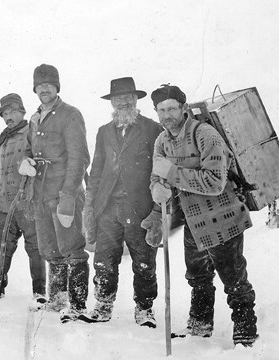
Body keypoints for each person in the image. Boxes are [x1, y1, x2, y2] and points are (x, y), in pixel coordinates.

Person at [149, 84, 258, 347]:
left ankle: (246, 330)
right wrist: (158, 188)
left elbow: (215, 183)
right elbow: (157, 174)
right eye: (161, 110)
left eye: (172, 108)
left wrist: (171, 174)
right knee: (197, 274)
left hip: (223, 218)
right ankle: (200, 325)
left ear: (184, 108)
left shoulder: (205, 134)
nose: (167, 115)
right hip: (193, 219)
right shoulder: (162, 140)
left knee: (232, 277)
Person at [80, 77, 163, 326]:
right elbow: (96, 172)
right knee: (104, 260)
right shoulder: (104, 132)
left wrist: (157, 208)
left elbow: (159, 168)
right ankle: (103, 306)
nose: (123, 101)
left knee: (144, 260)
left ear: (136, 100)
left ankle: (145, 309)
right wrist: (90, 206)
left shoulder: (152, 129)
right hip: (107, 208)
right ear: (112, 102)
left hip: (139, 207)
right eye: (118, 98)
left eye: (128, 97)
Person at [18, 64, 90, 323]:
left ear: (57, 87)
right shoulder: (35, 118)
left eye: (49, 84)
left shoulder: (70, 114)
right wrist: (24, 162)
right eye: (40, 85)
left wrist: (69, 194)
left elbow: (80, 157)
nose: (44, 89)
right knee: (50, 248)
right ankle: (58, 299)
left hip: (63, 193)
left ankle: (78, 305)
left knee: (72, 247)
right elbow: (27, 150)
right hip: (40, 193)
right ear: (35, 88)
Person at [0, 93, 46, 304]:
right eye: (5, 113)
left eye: (12, 112)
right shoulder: (3, 139)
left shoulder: (32, 131)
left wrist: (33, 165)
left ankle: (39, 292)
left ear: (22, 112)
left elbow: (42, 160)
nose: (8, 117)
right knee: (1, 247)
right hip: (6, 205)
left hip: (28, 203)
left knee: (35, 248)